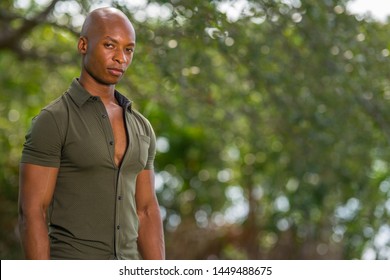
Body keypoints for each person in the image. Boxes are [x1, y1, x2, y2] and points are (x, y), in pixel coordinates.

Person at [18, 7, 165, 260]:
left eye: (128, 49)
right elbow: (33, 212)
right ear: (83, 45)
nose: (121, 58)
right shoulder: (54, 120)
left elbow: (147, 211)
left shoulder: (142, 127)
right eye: (110, 45)